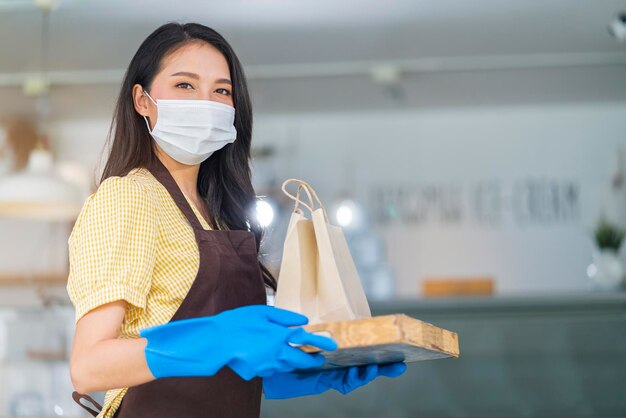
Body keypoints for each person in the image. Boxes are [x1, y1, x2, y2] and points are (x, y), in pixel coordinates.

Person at [67, 22, 406, 418]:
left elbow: (214, 372)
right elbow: (88, 367)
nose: (205, 102)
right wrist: (219, 336)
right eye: (185, 85)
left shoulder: (218, 214)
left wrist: (308, 372)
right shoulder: (129, 197)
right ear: (142, 100)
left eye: (221, 91)